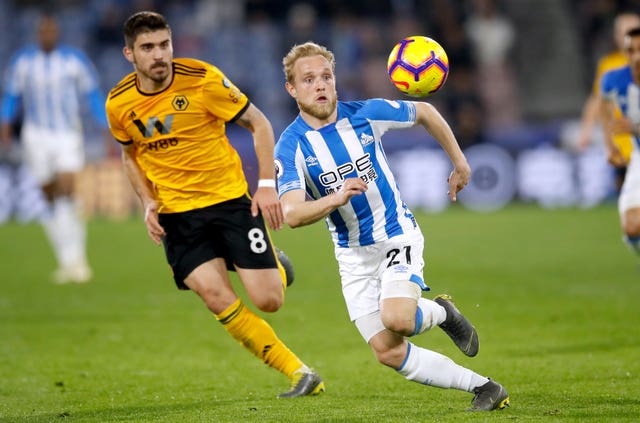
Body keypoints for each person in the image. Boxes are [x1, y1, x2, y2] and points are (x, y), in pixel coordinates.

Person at [275, 42, 510, 411]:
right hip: (352, 255)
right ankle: (485, 387)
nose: (320, 85)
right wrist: (334, 198)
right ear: (292, 89)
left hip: (395, 234)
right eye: (308, 80)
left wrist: (460, 163)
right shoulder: (290, 147)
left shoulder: (366, 115)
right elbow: (291, 214)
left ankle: (442, 313)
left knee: (397, 318)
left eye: (326, 77)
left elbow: (426, 111)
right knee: (387, 351)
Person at [104, 11, 322, 398]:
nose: (159, 55)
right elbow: (129, 156)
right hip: (176, 217)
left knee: (270, 301)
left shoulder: (202, 79)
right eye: (147, 48)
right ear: (129, 54)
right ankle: (300, 373)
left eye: (164, 45)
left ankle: (273, 264)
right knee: (216, 297)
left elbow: (260, 124)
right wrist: (148, 201)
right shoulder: (119, 103)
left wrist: (267, 185)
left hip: (229, 204)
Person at [0, 13, 108, 284]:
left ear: (57, 33)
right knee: (49, 197)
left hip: (67, 134)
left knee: (68, 188)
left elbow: (93, 93)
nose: (47, 35)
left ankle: (78, 259)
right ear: (38, 34)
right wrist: (5, 122)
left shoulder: (74, 61)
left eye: (51, 31)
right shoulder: (23, 62)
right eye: (43, 32)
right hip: (36, 136)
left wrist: (104, 124)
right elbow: (11, 96)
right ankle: (66, 260)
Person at [578, 12, 640, 190]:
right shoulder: (609, 65)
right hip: (622, 142)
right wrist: (587, 128)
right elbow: (598, 99)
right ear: (617, 37)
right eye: (624, 32)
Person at [600, 26, 640, 260]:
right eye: (630, 50)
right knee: (631, 226)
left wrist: (634, 128)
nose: (636, 56)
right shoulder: (613, 79)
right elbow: (604, 106)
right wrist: (610, 143)